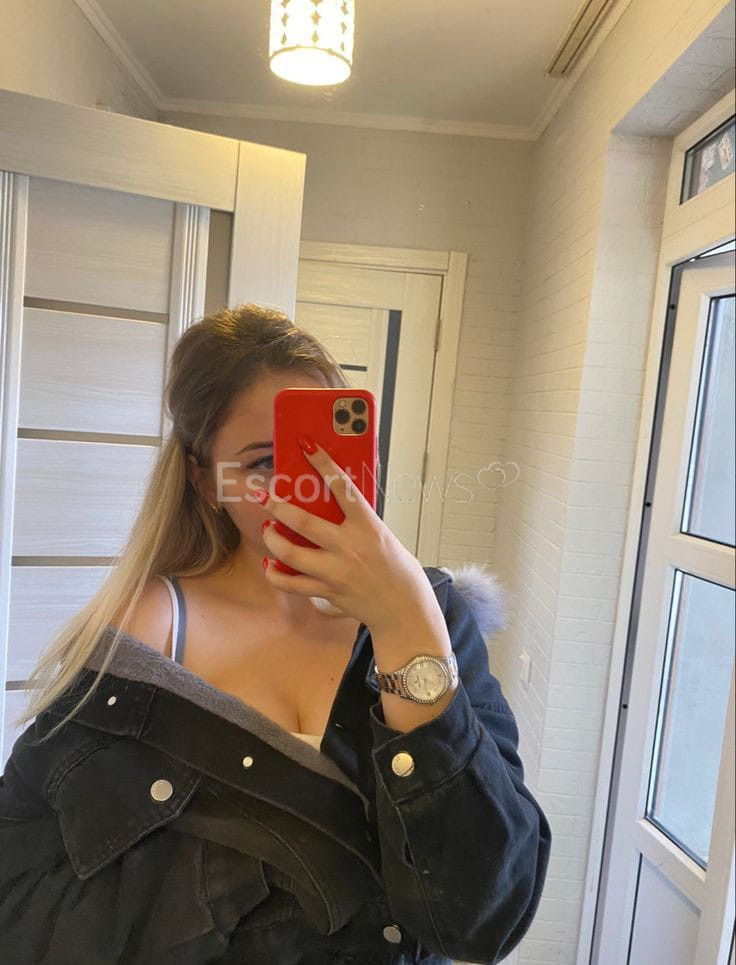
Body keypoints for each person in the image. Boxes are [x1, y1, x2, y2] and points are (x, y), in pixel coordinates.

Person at [0, 303, 551, 963]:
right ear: (205, 480)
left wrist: (406, 626)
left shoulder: (430, 615)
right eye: (264, 462)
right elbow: (25, 876)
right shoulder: (151, 631)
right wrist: (277, 882)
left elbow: (485, 917)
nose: (304, 486)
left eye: (328, 455)